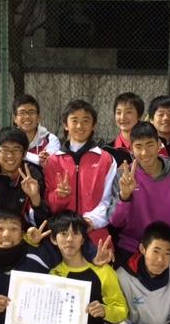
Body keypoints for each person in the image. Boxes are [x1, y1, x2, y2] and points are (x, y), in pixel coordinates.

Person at [108, 122, 170, 272]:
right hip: (130, 252)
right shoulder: (124, 175)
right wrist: (125, 196)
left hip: (166, 253)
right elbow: (115, 222)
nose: (144, 152)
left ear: (158, 145)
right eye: (138, 146)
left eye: (149, 145)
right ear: (131, 149)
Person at [43, 99, 117, 246]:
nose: (79, 126)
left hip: (96, 237)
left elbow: (109, 200)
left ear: (93, 125)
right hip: (63, 238)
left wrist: (91, 221)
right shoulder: (53, 161)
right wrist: (59, 196)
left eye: (85, 121)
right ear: (65, 124)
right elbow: (49, 203)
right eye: (74, 120)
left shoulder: (106, 159)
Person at [0, 127, 50, 228]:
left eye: (16, 150)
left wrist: (35, 198)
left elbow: (43, 224)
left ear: (24, 154)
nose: (10, 155)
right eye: (5, 150)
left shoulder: (34, 175)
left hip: (26, 235)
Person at [12, 94, 60, 167]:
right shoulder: (9, 139)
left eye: (31, 112)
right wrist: (37, 159)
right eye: (22, 112)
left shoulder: (51, 140)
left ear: (38, 117)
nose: (27, 116)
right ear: (15, 118)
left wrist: (21, 154)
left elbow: (50, 164)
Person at [104, 92, 145, 165]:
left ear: (139, 115)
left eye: (128, 112)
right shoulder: (107, 151)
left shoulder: (151, 146)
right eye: (118, 112)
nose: (122, 117)